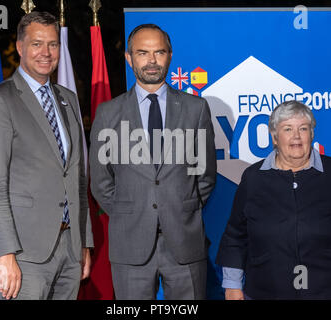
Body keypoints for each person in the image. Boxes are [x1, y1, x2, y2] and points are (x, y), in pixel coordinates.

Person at [89, 24, 216, 299]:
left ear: (170, 55)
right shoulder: (108, 113)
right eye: (143, 53)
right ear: (129, 58)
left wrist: (180, 209)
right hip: (130, 244)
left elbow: (205, 176)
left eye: (159, 52)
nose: (151, 60)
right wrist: (132, 212)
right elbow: (100, 182)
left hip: (185, 242)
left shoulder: (196, 109)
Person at [0, 12, 93, 300]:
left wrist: (83, 242)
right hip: (21, 253)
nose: (46, 53)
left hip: (68, 250)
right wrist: (5, 254)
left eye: (52, 45)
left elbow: (77, 178)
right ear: (19, 47)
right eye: (37, 44)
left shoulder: (67, 99)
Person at [216, 100, 331, 300]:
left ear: (312, 134)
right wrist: (232, 285)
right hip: (268, 290)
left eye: (303, 128)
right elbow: (235, 234)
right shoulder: (253, 178)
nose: (296, 137)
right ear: (275, 137)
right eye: (287, 129)